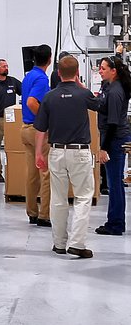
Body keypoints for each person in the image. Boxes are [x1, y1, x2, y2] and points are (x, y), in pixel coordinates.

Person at [34, 55, 99, 258]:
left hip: (56, 152)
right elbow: (98, 104)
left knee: (58, 198)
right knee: (83, 197)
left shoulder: (49, 97)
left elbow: (41, 129)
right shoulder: (83, 94)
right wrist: (81, 85)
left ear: (58, 73)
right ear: (77, 73)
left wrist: (38, 153)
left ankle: (59, 243)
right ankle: (77, 243)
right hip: (79, 152)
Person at [94, 55, 131, 236]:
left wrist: (104, 148)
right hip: (113, 137)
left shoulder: (116, 92)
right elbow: (101, 105)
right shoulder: (109, 86)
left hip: (115, 140)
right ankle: (114, 221)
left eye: (103, 68)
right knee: (114, 181)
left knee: (114, 183)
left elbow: (113, 123)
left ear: (113, 71)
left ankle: (115, 224)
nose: (100, 71)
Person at [22, 44, 53, 227]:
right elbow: (31, 102)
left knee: (32, 174)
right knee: (46, 174)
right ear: (49, 59)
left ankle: (32, 212)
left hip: (26, 129)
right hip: (37, 130)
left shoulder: (28, 76)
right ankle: (44, 215)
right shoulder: (41, 78)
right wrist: (45, 120)